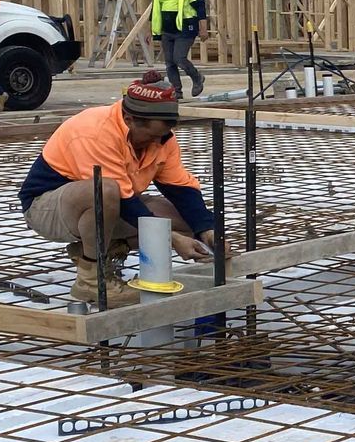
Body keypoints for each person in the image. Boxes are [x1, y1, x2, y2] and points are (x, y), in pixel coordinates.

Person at [18, 71, 219, 304]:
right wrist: (170, 239)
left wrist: (207, 229)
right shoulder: (95, 131)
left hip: (114, 205)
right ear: (129, 119)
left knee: (187, 221)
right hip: (48, 209)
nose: (156, 143)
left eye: (161, 136)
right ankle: (90, 280)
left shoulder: (162, 137)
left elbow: (180, 188)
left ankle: (102, 249)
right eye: (151, 136)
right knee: (105, 190)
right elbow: (121, 199)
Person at [149, 0, 209, 96]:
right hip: (167, 30)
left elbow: (200, 8)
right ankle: (177, 91)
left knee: (179, 58)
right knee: (170, 62)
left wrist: (203, 29)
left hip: (185, 28)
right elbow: (155, 10)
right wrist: (150, 30)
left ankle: (197, 77)